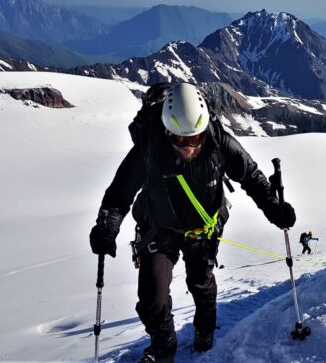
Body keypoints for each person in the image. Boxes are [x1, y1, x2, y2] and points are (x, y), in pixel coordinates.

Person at [89, 82, 296, 363]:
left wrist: (274, 208)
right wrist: (107, 225)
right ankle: (164, 347)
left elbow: (250, 175)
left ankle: (204, 330)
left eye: (194, 138)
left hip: (203, 227)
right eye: (178, 139)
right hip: (159, 228)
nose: (187, 146)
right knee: (152, 298)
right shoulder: (149, 145)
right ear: (165, 130)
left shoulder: (219, 141)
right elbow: (120, 192)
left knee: (200, 281)